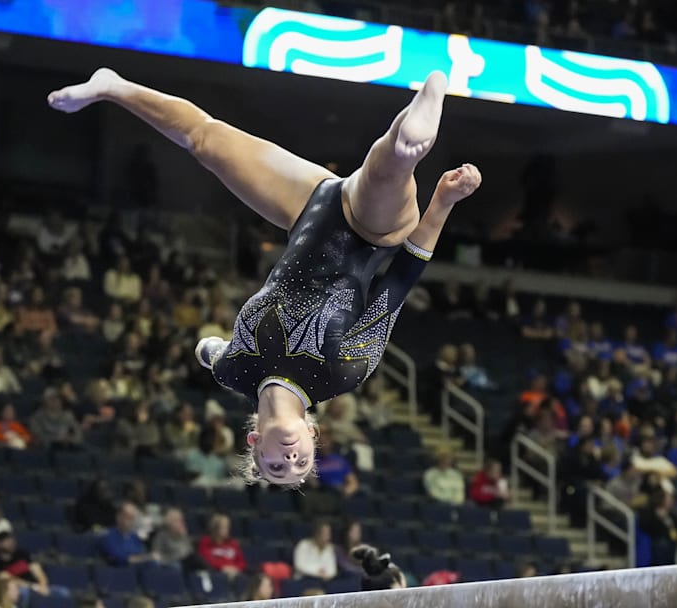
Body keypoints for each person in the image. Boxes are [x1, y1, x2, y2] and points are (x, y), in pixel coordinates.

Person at [49, 68, 479, 488]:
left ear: (254, 444)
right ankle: (415, 128)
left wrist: (208, 351)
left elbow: (209, 349)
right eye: (300, 463)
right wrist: (443, 202)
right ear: (312, 436)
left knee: (202, 139)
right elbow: (397, 284)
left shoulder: (234, 372)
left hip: (308, 207)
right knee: (393, 164)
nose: (290, 459)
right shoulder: (344, 372)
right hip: (373, 230)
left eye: (276, 467)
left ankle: (114, 86)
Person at [0, 530, 71, 604]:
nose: (12, 543)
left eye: (12, 540)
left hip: (37, 587)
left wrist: (43, 586)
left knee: (63, 592)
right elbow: (5, 578)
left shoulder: (22, 554)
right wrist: (32, 587)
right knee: (24, 592)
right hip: (19, 589)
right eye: (7, 541)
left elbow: (38, 570)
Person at [99, 502, 160, 567]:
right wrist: (147, 558)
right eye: (129, 517)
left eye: (134, 518)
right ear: (119, 517)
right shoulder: (108, 536)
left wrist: (149, 557)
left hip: (139, 573)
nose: (132, 521)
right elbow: (122, 559)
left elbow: (142, 554)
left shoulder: (135, 537)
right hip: (119, 574)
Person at [197, 514, 246, 578]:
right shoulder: (205, 542)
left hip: (234, 574)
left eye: (228, 527)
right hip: (216, 574)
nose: (227, 530)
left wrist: (235, 569)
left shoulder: (233, 544)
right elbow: (206, 561)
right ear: (215, 528)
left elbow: (242, 562)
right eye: (224, 527)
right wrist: (222, 568)